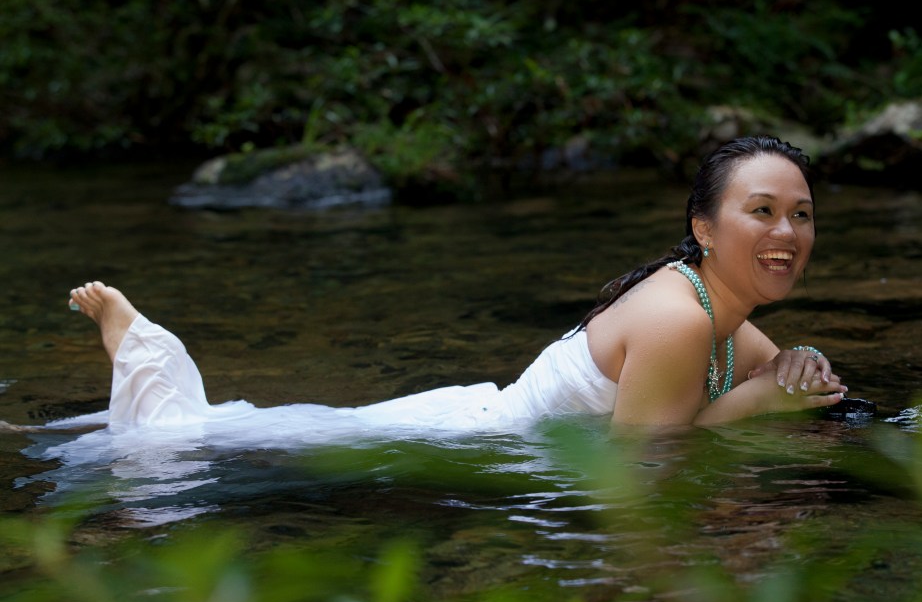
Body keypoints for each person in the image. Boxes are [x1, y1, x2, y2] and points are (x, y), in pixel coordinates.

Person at [20, 136, 847, 450]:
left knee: (257, 431)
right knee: (211, 446)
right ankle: (139, 352)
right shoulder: (677, 317)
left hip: (470, 418)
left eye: (801, 215)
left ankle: (93, 394)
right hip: (457, 437)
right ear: (705, 228)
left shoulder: (717, 315)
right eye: (762, 211)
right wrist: (765, 401)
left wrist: (798, 367)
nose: (786, 233)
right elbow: (645, 457)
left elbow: (782, 371)